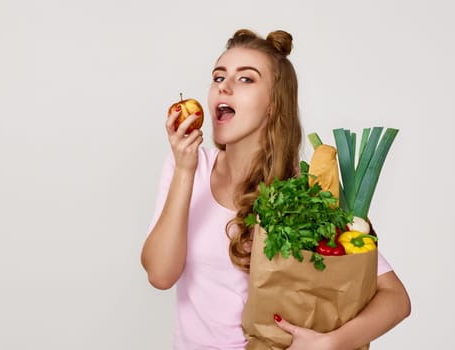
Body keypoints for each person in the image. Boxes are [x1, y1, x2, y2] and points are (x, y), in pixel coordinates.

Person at [140, 28, 411, 350]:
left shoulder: (303, 190)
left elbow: (396, 298)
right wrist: (185, 170)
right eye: (218, 77)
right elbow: (160, 275)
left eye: (246, 79)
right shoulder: (187, 166)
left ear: (272, 104)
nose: (224, 86)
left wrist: (329, 344)